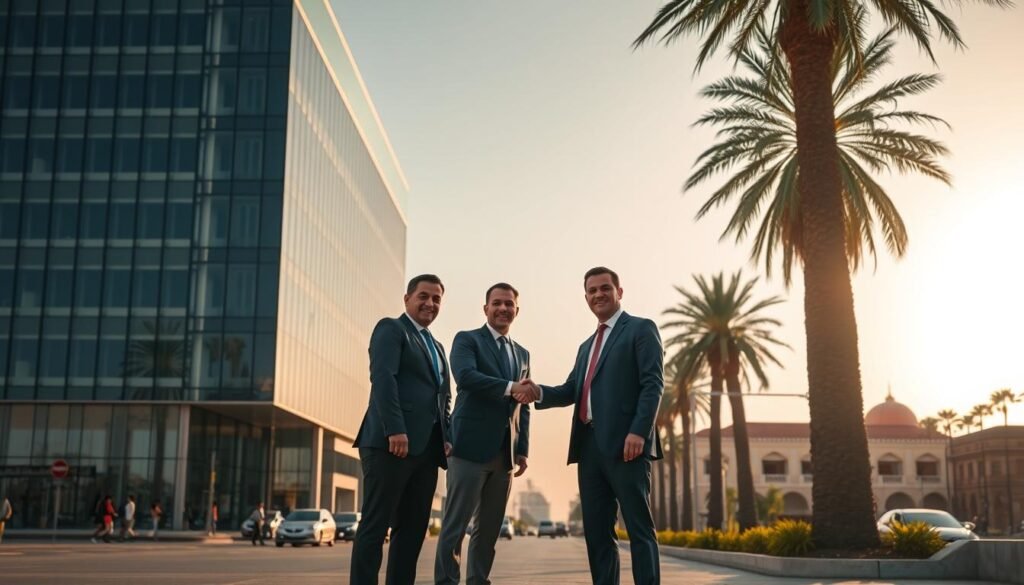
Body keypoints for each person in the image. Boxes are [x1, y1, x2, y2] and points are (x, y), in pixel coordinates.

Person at [525, 267, 664, 585]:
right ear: (586, 297)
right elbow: (571, 390)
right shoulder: (586, 346)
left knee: (639, 529)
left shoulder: (641, 329)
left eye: (605, 288)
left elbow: (652, 383)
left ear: (619, 291)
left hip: (627, 446)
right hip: (588, 449)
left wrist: (639, 431)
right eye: (592, 290)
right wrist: (538, 392)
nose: (598, 294)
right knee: (598, 535)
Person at [350, 274, 453, 585]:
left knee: (412, 529)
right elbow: (383, 379)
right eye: (423, 296)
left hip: (426, 450)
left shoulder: (436, 345)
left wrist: (446, 436)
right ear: (407, 299)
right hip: (389, 444)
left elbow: (444, 396)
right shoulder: (391, 329)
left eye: (436, 299)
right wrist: (395, 429)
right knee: (375, 525)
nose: (430, 303)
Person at [435, 283, 533, 585]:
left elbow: (524, 404)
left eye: (509, 304)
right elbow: (466, 377)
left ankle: (478, 580)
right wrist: (510, 387)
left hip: (504, 455)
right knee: (455, 526)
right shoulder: (467, 340)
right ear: (486, 308)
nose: (503, 308)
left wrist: (522, 448)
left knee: (488, 529)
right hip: (468, 448)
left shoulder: (523, 353)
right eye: (497, 303)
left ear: (517, 310)